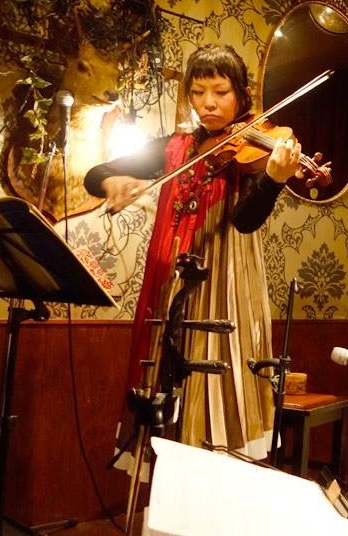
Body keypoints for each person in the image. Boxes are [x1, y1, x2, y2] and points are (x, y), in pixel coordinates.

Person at [85, 43, 302, 462]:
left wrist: (274, 180)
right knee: (164, 386)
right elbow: (99, 173)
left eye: (220, 92)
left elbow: (245, 220)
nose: (208, 103)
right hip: (170, 283)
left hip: (224, 284)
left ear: (241, 94)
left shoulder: (252, 146)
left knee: (215, 387)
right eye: (198, 92)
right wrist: (111, 182)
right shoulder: (176, 146)